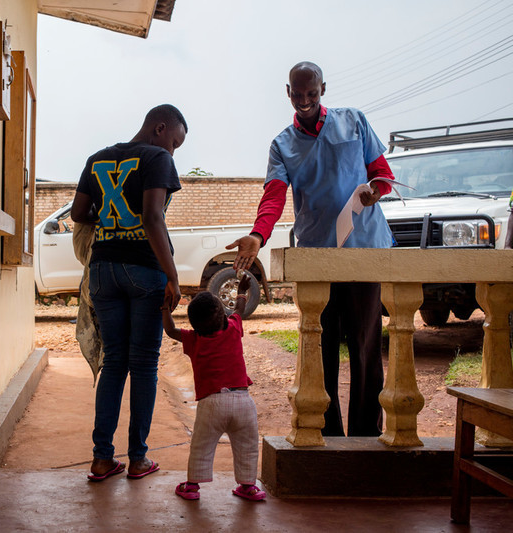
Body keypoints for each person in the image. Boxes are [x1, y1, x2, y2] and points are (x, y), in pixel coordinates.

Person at [226, 61, 396, 437]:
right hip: (318, 255)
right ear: (288, 92)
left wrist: (375, 191)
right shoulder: (282, 144)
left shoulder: (354, 121)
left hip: (363, 250)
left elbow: (382, 172)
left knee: (366, 347)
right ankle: (328, 434)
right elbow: (274, 196)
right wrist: (258, 234)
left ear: (323, 90)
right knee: (321, 348)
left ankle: (367, 436)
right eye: (298, 94)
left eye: (312, 94)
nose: (305, 101)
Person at [71, 104, 188, 481]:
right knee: (143, 365)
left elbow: (77, 213)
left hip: (103, 270)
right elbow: (154, 217)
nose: (173, 151)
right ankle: (138, 458)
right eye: (175, 142)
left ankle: (102, 457)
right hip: (144, 271)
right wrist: (173, 276)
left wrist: (110, 222)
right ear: (160, 128)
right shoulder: (157, 159)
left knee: (114, 362)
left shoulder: (97, 158)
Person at [162, 276, 266, 501]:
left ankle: (192, 486)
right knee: (247, 446)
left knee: (202, 445)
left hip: (212, 404)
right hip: (243, 401)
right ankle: (249, 486)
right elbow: (239, 308)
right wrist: (241, 290)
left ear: (194, 323)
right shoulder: (233, 328)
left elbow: (170, 331)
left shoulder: (194, 339)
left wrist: (164, 308)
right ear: (223, 314)